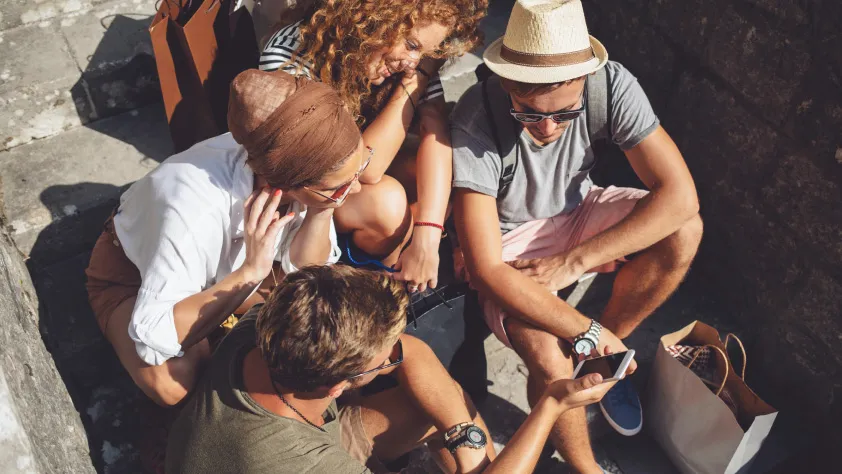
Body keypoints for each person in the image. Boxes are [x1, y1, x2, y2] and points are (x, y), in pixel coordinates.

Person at [450, 1, 703, 473]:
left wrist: (573, 264)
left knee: (684, 231)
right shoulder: (477, 115)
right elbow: (486, 268)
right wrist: (584, 329)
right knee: (549, 357)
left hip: (579, 211)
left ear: (585, 78)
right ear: (506, 82)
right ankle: (588, 468)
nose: (547, 129)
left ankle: (603, 359)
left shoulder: (610, 84)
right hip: (510, 244)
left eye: (564, 114)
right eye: (528, 113)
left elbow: (682, 198)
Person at [85, 69, 368, 406]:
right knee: (173, 381)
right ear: (286, 182)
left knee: (304, 319)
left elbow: (306, 271)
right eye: (340, 186)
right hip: (130, 276)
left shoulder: (284, 156)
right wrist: (250, 272)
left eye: (360, 169)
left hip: (223, 268)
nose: (357, 188)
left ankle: (222, 326)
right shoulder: (193, 209)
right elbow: (153, 336)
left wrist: (324, 209)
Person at [166, 265, 617, 474]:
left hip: (280, 436)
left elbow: (413, 351)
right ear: (339, 384)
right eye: (382, 362)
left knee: (428, 402)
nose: (393, 358)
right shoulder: (305, 466)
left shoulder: (270, 324)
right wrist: (553, 402)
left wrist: (467, 440)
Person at [260, 0, 488, 293]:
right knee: (388, 204)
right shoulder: (292, 57)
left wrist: (428, 238)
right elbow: (364, 169)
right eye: (410, 44)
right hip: (313, 191)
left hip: (358, 171)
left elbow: (435, 129)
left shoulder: (400, 58)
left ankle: (403, 268)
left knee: (449, 165)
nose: (412, 62)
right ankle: (380, 282)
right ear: (374, 18)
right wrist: (414, 83)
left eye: (426, 53)